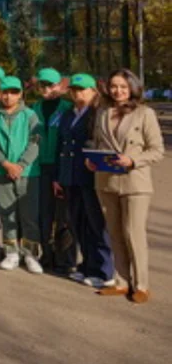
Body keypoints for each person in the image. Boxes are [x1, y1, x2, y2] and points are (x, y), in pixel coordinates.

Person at [86, 68, 163, 303]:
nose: (118, 91)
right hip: (106, 181)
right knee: (115, 232)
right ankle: (121, 282)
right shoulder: (102, 112)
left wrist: (133, 160)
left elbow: (157, 150)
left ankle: (141, 285)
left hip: (135, 182)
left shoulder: (144, 113)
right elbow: (97, 142)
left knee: (133, 233)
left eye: (123, 86)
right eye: (114, 86)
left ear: (132, 88)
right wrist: (92, 159)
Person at [56, 73, 113, 288]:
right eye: (73, 89)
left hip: (90, 176)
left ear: (93, 91)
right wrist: (59, 176)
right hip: (70, 175)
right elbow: (62, 145)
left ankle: (104, 270)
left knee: (96, 224)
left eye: (82, 89)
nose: (77, 93)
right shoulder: (68, 114)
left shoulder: (98, 114)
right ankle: (87, 266)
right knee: (78, 223)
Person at [0, 75, 44, 274]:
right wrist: (5, 163)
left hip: (28, 173)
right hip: (2, 172)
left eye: (13, 92)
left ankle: (30, 254)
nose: (8, 96)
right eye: (5, 92)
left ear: (20, 94)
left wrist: (21, 165)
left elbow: (35, 142)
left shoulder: (30, 115)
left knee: (29, 215)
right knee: (6, 215)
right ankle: (11, 252)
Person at [31, 68, 69, 272]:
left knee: (62, 215)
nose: (46, 89)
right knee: (43, 213)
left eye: (50, 85)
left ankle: (64, 259)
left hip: (61, 166)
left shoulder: (66, 108)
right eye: (42, 85)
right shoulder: (34, 108)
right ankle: (46, 254)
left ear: (59, 86)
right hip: (39, 167)